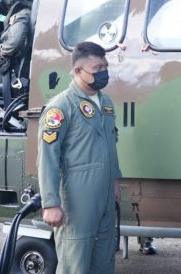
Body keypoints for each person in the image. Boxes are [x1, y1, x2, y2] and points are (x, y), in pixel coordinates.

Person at [37, 41, 121, 274]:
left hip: (105, 197)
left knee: (104, 262)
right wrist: (51, 203)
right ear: (78, 71)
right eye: (97, 69)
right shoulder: (61, 107)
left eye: (105, 67)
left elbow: (110, 145)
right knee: (75, 264)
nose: (103, 73)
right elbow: (47, 157)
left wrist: (115, 180)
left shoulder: (106, 103)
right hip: (77, 199)